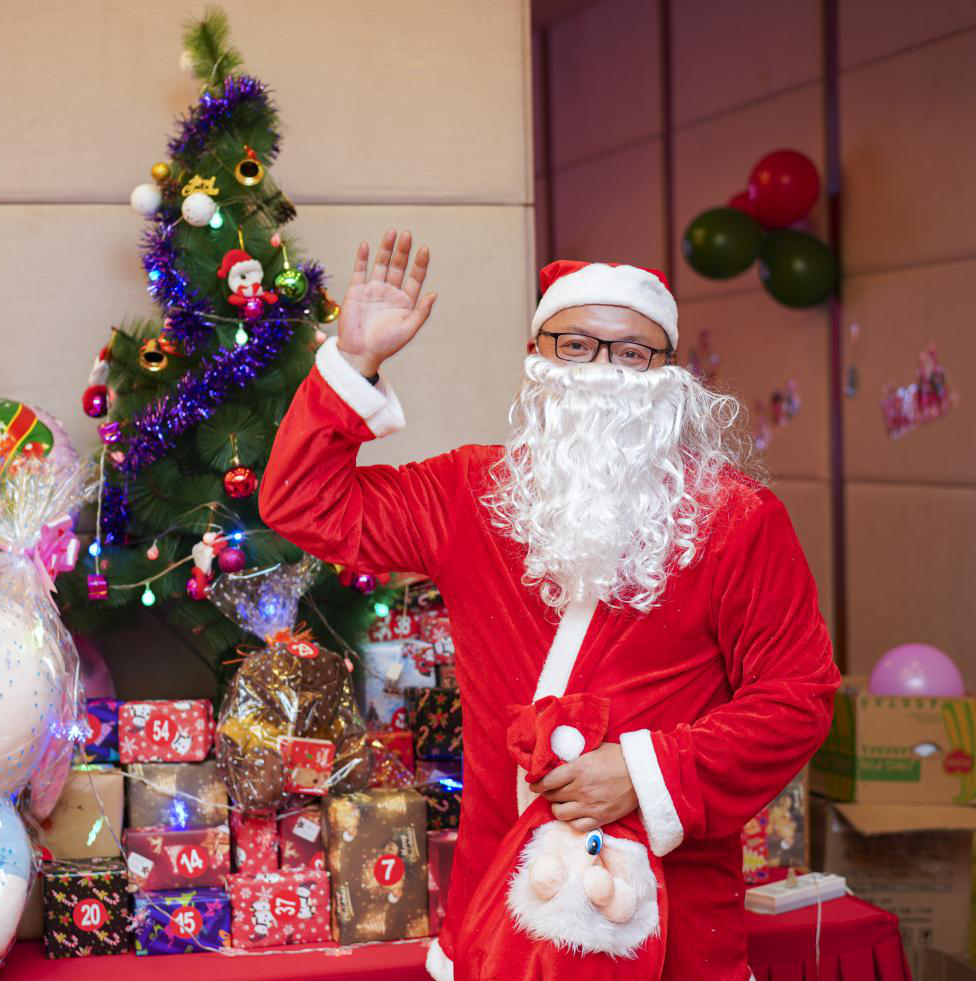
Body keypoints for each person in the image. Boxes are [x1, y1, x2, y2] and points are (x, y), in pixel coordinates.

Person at [259, 230, 840, 981]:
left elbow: (797, 697)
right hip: (498, 904)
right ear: (536, 357)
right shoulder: (470, 493)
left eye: (632, 352)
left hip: (674, 924)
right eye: (577, 346)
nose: (604, 371)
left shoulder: (736, 517)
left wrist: (647, 773)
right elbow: (302, 501)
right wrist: (354, 362)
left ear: (669, 374)